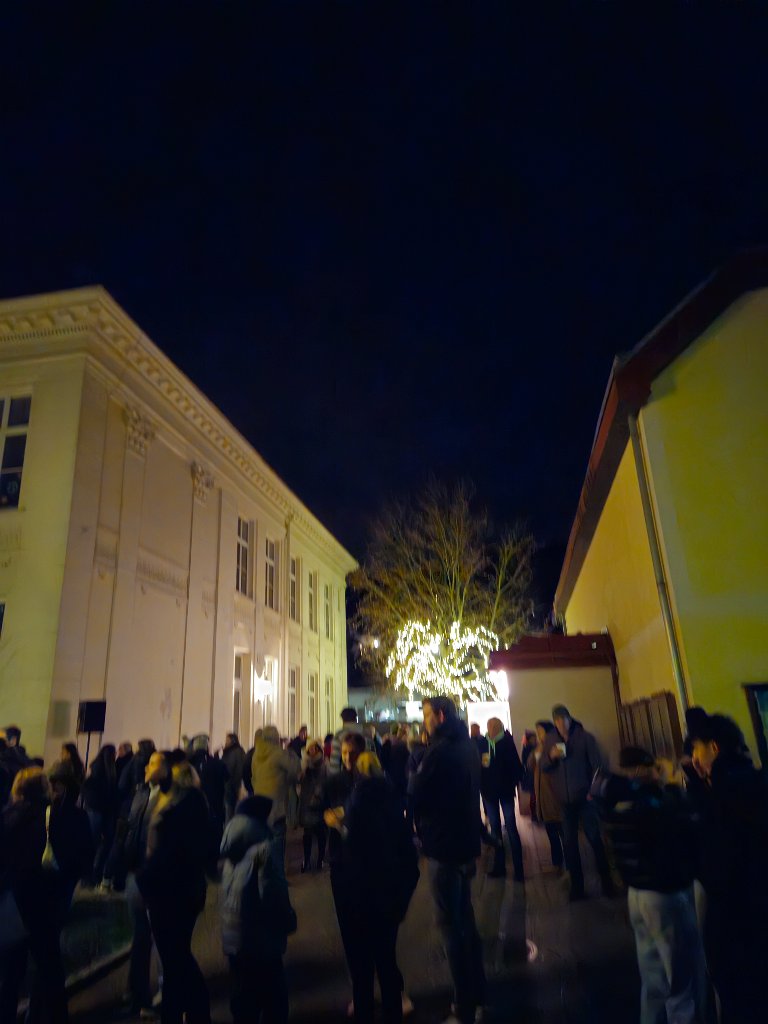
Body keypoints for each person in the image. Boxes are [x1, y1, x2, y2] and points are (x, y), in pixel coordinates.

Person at [593, 747, 709, 1024]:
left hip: (638, 893)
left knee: (654, 980)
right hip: (664, 894)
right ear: (642, 770)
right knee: (681, 983)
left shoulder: (617, 800)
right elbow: (680, 820)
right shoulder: (648, 803)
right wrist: (675, 783)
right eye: (654, 768)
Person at [327, 752, 418, 1024]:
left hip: (357, 901)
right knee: (386, 962)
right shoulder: (394, 803)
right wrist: (401, 902)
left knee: (361, 970)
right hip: (388, 900)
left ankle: (365, 1012)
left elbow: (349, 854)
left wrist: (338, 826)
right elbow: (409, 860)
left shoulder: (356, 806)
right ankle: (393, 1012)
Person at [689, 713, 768, 1022]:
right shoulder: (756, 780)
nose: (694, 758)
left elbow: (711, 862)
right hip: (756, 910)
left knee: (740, 999)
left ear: (714, 748)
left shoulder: (723, 794)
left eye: (697, 749)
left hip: (735, 919)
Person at [410, 696, 485, 1024]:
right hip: (465, 842)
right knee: (466, 920)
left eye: (427, 714)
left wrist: (415, 770)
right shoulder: (467, 745)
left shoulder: (438, 751)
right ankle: (478, 991)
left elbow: (416, 793)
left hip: (443, 845)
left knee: (449, 926)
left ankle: (463, 1003)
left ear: (440, 716)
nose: (424, 721)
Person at [136, 751, 211, 1024]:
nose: (147, 766)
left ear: (168, 769)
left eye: (153, 763)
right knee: (173, 960)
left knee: (176, 957)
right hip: (161, 890)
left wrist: (148, 875)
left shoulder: (187, 801)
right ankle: (182, 1013)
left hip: (175, 892)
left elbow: (182, 849)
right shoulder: (160, 797)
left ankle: (195, 1012)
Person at [220, 794, 297, 1024]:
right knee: (275, 1002)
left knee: (243, 1002)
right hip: (260, 940)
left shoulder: (231, 846)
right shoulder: (264, 849)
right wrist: (289, 920)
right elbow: (273, 895)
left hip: (233, 937)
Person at [0, 768, 68, 1024]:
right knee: (50, 970)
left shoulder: (6, 816)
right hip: (41, 902)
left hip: (14, 901)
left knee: (11, 973)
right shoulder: (52, 817)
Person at [543, 704, 613, 900]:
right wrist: (550, 756)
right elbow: (544, 766)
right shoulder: (550, 740)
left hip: (585, 797)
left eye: (563, 719)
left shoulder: (585, 738)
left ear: (569, 719)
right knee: (569, 844)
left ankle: (607, 883)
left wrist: (592, 791)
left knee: (595, 839)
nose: (560, 724)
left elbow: (598, 767)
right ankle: (577, 888)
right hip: (565, 802)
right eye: (557, 721)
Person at [122, 748, 167, 1017]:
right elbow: (130, 828)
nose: (146, 767)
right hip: (136, 872)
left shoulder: (170, 798)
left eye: (153, 763)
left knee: (160, 937)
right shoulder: (141, 793)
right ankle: (136, 993)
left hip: (156, 875)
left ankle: (166, 995)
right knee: (139, 936)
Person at [250, 725, 300, 875]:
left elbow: (253, 778)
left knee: (263, 843)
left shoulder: (256, 755)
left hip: (259, 806)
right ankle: (277, 877)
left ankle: (263, 874)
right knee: (277, 843)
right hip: (276, 807)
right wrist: (292, 754)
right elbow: (294, 770)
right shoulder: (278, 753)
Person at [480, 717, 524, 881]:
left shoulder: (507, 743)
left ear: (499, 727)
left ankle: (519, 870)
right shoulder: (483, 743)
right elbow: (480, 765)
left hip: (505, 792)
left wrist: (510, 784)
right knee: (495, 830)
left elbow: (516, 768)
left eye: (493, 726)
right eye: (489, 725)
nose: (490, 728)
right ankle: (499, 867)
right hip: (489, 793)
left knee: (511, 828)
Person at [188, 733, 229, 876]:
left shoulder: (188, 764)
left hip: (193, 808)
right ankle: (211, 868)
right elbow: (226, 777)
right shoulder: (216, 763)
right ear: (207, 747)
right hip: (215, 807)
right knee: (214, 837)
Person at [81, 743, 119, 885]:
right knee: (99, 843)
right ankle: (92, 874)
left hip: (97, 809)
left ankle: (90, 875)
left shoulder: (98, 767)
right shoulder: (107, 769)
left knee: (94, 842)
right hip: (100, 809)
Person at [532, 721, 565, 871]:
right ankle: (557, 863)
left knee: (563, 833)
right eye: (537, 732)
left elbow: (560, 766)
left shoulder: (558, 745)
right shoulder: (539, 748)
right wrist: (537, 752)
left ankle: (570, 864)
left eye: (541, 731)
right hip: (543, 795)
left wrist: (546, 754)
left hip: (555, 794)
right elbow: (530, 765)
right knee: (551, 833)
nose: (539, 735)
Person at [298, 739, 328, 871]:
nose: (312, 750)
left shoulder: (324, 763)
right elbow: (298, 780)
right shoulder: (304, 764)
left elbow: (326, 781)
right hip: (307, 802)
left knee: (320, 833)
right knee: (308, 833)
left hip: (319, 802)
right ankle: (307, 860)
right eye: (310, 748)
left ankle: (319, 860)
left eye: (315, 748)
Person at [329, 707, 370, 773]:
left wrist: (334, 776)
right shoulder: (366, 733)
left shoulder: (339, 734)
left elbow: (335, 759)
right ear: (356, 718)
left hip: (347, 773)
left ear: (343, 719)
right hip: (366, 772)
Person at [222, 732, 246, 823]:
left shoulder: (232, 752)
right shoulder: (239, 751)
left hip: (231, 786)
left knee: (229, 812)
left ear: (232, 741)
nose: (225, 742)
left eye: (227, 740)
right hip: (236, 785)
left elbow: (228, 768)